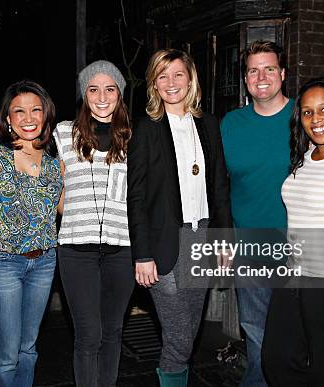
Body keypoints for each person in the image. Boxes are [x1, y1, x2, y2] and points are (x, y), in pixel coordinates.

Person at [127, 48, 231, 386]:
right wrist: (142, 254)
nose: (171, 83)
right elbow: (137, 196)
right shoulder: (146, 128)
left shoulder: (209, 124)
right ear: (154, 84)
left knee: (190, 328)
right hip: (163, 244)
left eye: (178, 74)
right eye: (162, 76)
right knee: (179, 334)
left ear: (191, 78)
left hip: (202, 239)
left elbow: (219, 187)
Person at [261, 78, 324, 386]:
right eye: (307, 112)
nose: (315, 119)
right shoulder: (304, 159)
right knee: (276, 360)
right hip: (293, 275)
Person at [0, 80, 62, 387]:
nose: (28, 117)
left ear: (46, 115)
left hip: (44, 262)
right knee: (8, 352)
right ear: (8, 118)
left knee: (29, 349)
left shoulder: (55, 161)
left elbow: (65, 208)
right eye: (19, 111)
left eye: (36, 110)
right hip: (1, 262)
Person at [53, 60, 134, 387]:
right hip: (76, 249)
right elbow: (30, 160)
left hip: (123, 249)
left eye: (110, 89)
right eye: (93, 89)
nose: (102, 97)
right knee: (89, 335)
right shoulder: (63, 133)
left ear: (120, 94)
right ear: (84, 95)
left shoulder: (134, 138)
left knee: (113, 331)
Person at [219, 40, 293, 387]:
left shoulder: (304, 118)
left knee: (297, 334)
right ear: (245, 78)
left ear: (282, 74)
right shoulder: (230, 125)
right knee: (256, 333)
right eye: (253, 70)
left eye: (269, 68)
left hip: (299, 245)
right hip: (250, 246)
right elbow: (217, 187)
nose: (261, 76)